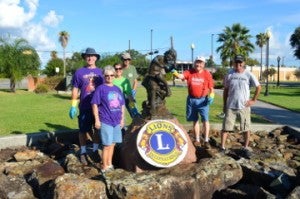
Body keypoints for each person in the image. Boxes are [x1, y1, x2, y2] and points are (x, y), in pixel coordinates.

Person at [220, 55, 261, 158]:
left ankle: (245, 147)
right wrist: (224, 104)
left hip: (244, 107)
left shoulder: (248, 74)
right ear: (233, 63)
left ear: (243, 63)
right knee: (225, 128)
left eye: (240, 62)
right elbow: (225, 90)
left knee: (246, 128)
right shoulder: (229, 74)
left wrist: (253, 100)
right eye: (236, 62)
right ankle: (222, 147)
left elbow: (258, 87)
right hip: (230, 106)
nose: (238, 64)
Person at [69, 47, 103, 165]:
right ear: (85, 58)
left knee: (97, 129)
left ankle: (94, 150)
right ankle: (83, 152)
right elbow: (75, 89)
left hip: (98, 107)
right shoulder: (79, 72)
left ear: (96, 58)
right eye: (87, 56)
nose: (90, 58)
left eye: (92, 56)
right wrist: (73, 105)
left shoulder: (101, 72)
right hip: (84, 106)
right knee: (83, 130)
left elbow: (104, 89)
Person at [172, 56, 215, 148]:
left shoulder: (207, 74)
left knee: (205, 120)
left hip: (203, 101)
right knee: (195, 120)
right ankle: (197, 140)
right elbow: (181, 76)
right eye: (197, 62)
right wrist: (174, 72)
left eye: (200, 63)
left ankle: (206, 140)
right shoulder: (189, 72)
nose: (198, 64)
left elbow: (211, 88)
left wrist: (212, 95)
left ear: (203, 64)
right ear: (194, 63)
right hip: (191, 100)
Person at [91, 65, 125, 173]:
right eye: (107, 75)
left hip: (117, 121)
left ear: (114, 76)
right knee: (106, 145)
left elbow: (122, 105)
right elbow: (94, 104)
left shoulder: (117, 89)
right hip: (106, 120)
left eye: (111, 75)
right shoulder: (100, 89)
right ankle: (104, 167)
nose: (109, 77)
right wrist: (96, 119)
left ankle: (110, 163)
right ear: (104, 76)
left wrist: (122, 119)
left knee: (113, 144)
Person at [120, 52, 139, 118]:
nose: (127, 61)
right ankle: (122, 127)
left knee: (134, 110)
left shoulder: (132, 68)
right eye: (125, 59)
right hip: (120, 94)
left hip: (130, 93)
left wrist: (133, 90)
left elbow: (135, 81)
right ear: (122, 59)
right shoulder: (119, 69)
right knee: (120, 112)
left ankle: (136, 125)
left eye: (128, 59)